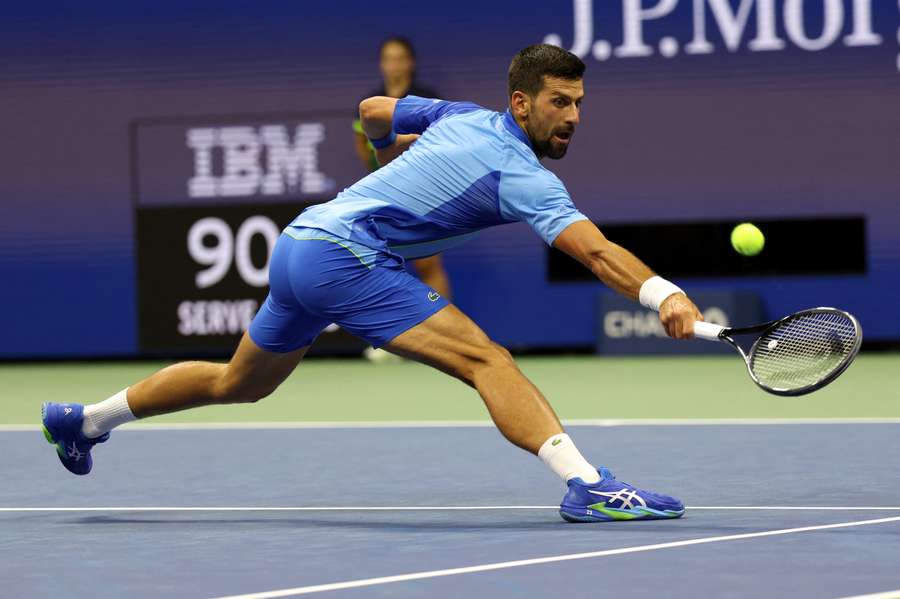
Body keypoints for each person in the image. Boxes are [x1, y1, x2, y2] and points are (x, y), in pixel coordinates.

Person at [42, 44, 703, 523]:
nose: (574, 116)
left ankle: (87, 420)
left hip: (300, 241)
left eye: (580, 103)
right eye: (560, 102)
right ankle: (587, 484)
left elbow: (373, 109)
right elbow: (594, 250)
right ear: (523, 102)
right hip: (343, 255)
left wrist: (389, 158)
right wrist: (662, 294)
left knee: (238, 382)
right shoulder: (523, 175)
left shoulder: (457, 115)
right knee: (488, 359)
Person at [351, 36, 452, 306]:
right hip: (383, 191)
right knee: (383, 265)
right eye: (388, 59)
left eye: (399, 58)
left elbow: (440, 145)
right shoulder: (369, 103)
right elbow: (363, 146)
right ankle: (394, 336)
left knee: (428, 264)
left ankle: (444, 338)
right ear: (382, 65)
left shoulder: (428, 99)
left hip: (423, 191)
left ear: (410, 63)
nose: (394, 65)